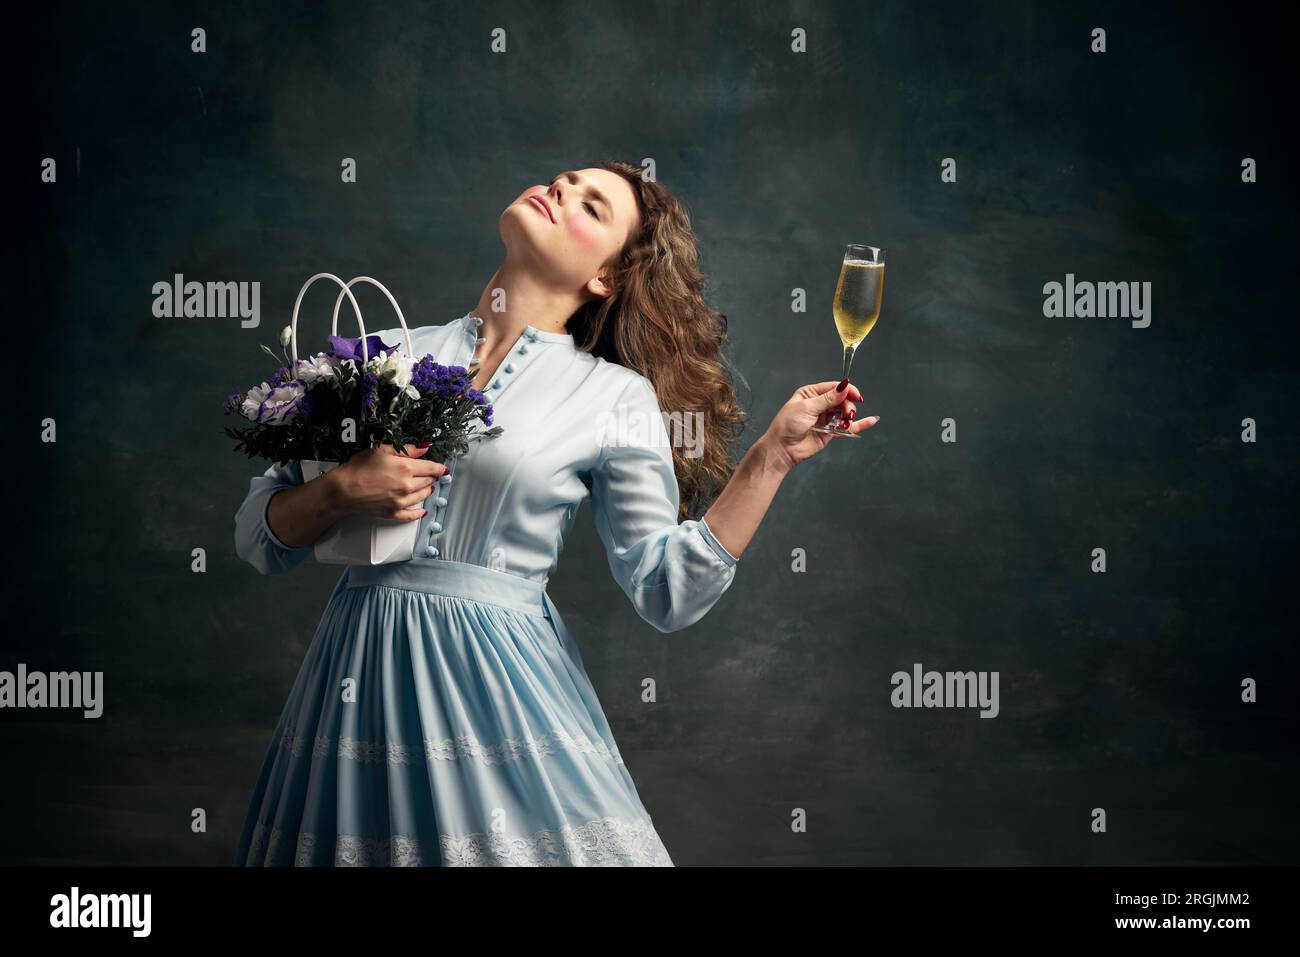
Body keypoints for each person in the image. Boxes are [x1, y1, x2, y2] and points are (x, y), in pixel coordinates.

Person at [232, 162, 879, 866]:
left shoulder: (613, 396)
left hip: (503, 705)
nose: (561, 190)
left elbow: (667, 590)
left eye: (591, 205)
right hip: (353, 692)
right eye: (565, 180)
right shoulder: (380, 351)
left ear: (604, 277)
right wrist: (339, 492)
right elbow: (258, 536)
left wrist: (771, 459)